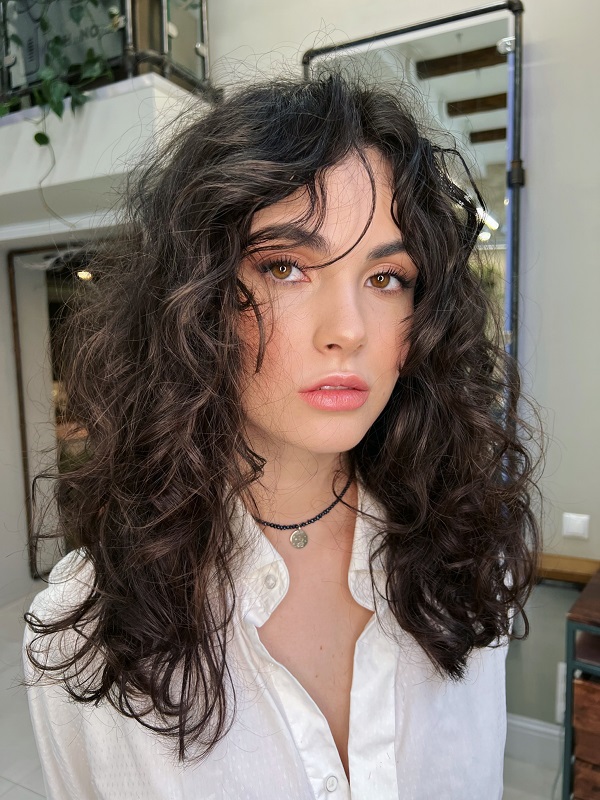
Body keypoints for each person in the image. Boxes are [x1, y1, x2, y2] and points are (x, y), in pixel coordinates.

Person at [23, 72, 541, 800]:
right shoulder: (84, 631)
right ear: (195, 301)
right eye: (287, 267)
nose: (348, 331)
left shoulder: (469, 554)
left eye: (386, 277)